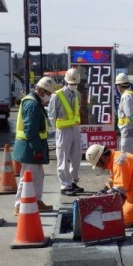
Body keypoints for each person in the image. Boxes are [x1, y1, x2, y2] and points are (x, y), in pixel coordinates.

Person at [12, 77, 57, 215]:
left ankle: (37, 200)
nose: (49, 97)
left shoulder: (35, 102)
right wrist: (37, 149)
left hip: (32, 146)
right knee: (28, 176)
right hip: (29, 147)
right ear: (42, 91)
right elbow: (30, 129)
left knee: (38, 175)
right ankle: (19, 204)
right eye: (49, 93)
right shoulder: (32, 105)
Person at [85, 144, 133, 228]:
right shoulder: (116, 158)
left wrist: (101, 199)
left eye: (99, 164)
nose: (102, 168)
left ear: (103, 157)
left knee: (120, 222)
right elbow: (115, 180)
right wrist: (104, 190)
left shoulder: (119, 163)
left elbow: (118, 191)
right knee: (117, 214)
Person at [48, 68, 84, 196]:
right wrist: (56, 130)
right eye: (72, 83)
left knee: (76, 157)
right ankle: (65, 185)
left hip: (75, 129)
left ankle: (73, 181)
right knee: (63, 158)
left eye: (75, 84)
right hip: (63, 131)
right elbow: (51, 116)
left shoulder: (77, 94)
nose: (73, 85)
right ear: (65, 81)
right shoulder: (56, 96)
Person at [115, 73, 133, 157]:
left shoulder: (126, 96)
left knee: (126, 159)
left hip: (128, 133)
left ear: (119, 85)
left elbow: (130, 114)